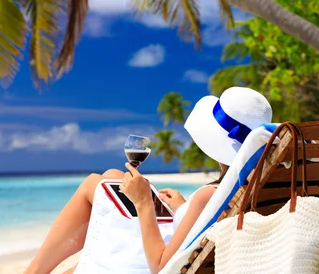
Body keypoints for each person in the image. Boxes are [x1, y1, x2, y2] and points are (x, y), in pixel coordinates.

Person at [25, 87, 273, 274]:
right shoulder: (259, 185)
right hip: (187, 245)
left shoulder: (208, 195)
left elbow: (159, 265)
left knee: (94, 183)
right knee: (112, 177)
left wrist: (144, 201)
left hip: (157, 263)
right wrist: (182, 209)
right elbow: (207, 221)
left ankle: (34, 271)